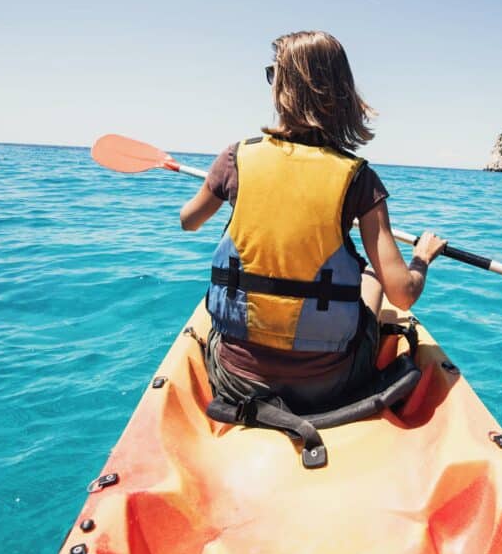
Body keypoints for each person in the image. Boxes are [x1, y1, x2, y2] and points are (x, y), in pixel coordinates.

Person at [178, 30, 446, 415]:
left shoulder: (235, 158)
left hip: (237, 380)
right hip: (328, 386)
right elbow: (402, 293)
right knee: (370, 276)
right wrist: (421, 258)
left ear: (283, 88)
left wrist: (217, 181)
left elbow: (189, 221)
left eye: (274, 74)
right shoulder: (358, 178)